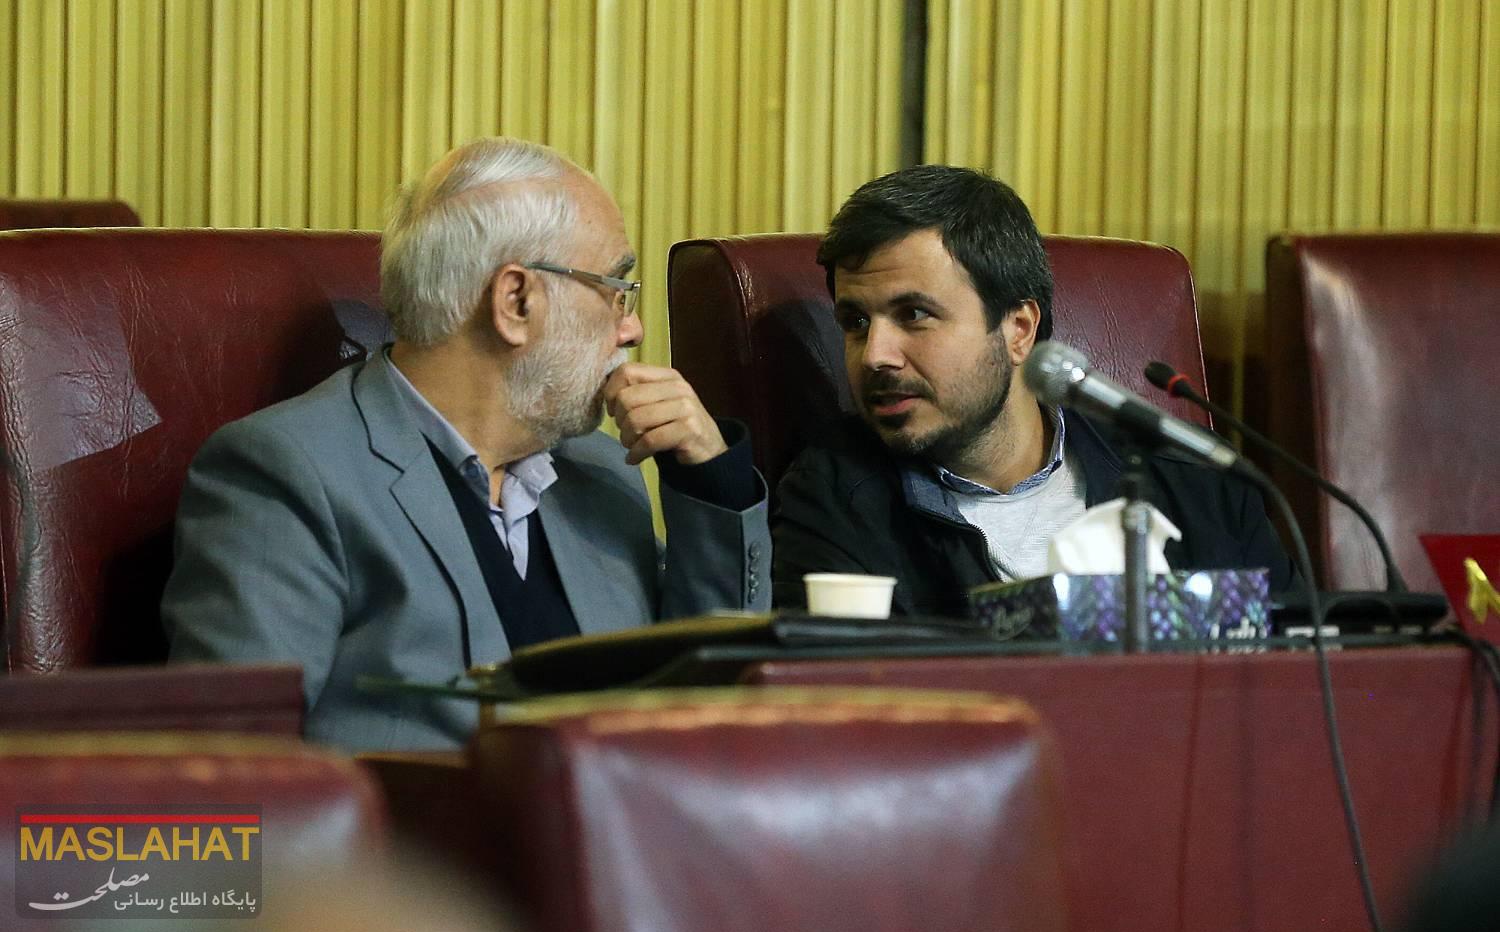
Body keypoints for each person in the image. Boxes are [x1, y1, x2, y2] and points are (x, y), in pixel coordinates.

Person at [163, 138, 771, 749]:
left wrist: (711, 480)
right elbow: (234, 764)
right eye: (615, 291)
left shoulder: (603, 471)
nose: (631, 328)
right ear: (516, 301)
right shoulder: (288, 474)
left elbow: (711, 710)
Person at [772, 164, 1294, 616]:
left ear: (1018, 329)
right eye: (857, 322)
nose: (875, 355)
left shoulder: (1196, 483)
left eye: (914, 314)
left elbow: (1296, 670)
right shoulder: (832, 497)